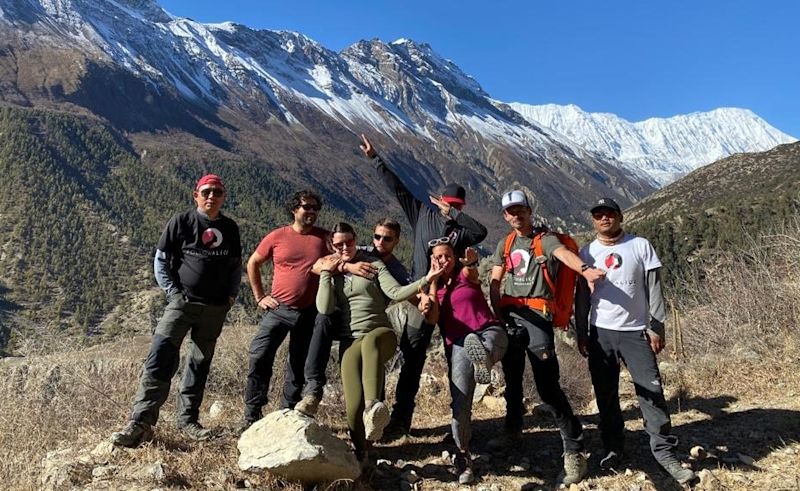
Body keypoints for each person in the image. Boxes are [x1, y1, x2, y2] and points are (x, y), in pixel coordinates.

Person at [359, 133, 488, 438]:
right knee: (412, 355)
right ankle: (402, 420)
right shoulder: (421, 214)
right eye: (447, 203)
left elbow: (480, 231)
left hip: (453, 298)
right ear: (438, 200)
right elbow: (397, 188)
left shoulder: (461, 229)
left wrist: (453, 213)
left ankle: (460, 425)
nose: (448, 209)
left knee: (457, 355)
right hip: (421, 296)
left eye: (455, 206)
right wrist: (374, 158)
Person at [111, 174, 241, 447]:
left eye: (217, 192)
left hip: (214, 309)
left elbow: (234, 266)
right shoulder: (181, 222)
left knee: (198, 363)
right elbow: (161, 261)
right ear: (196, 195)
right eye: (206, 191)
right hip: (182, 304)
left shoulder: (229, 228)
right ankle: (141, 422)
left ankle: (187, 421)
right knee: (160, 356)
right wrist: (173, 293)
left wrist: (230, 297)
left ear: (223, 197)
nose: (211, 196)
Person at [575, 198, 696, 485]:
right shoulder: (586, 251)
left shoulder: (640, 245)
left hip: (635, 332)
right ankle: (614, 446)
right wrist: (581, 330)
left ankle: (664, 451)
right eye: (599, 215)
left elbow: (654, 289)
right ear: (593, 220)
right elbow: (581, 296)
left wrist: (657, 328)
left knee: (651, 390)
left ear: (620, 217)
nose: (604, 219)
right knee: (605, 393)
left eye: (610, 214)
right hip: (600, 331)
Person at [488, 190, 605, 485]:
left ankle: (574, 448)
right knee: (512, 379)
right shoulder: (507, 242)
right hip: (511, 316)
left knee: (547, 386)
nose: (516, 215)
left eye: (521, 210)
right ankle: (512, 431)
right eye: (511, 211)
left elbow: (563, 255)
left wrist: (586, 270)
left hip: (537, 318)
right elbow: (496, 276)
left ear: (529, 210)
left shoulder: (545, 239)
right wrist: (496, 310)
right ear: (505, 215)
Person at [315, 223, 443, 464]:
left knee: (371, 342)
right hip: (350, 339)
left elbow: (395, 292)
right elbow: (324, 307)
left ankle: (374, 406)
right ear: (333, 245)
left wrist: (427, 279)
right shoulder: (332, 269)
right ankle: (362, 454)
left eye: (349, 242)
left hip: (380, 333)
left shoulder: (374, 264)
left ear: (356, 240)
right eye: (339, 244)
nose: (345, 247)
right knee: (352, 407)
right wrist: (327, 273)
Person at [296, 218, 412, 416]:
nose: (380, 243)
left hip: (369, 323)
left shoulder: (393, 267)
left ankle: (376, 418)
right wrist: (347, 267)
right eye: (377, 237)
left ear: (396, 241)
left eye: (387, 239)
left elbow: (401, 290)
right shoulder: (358, 251)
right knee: (322, 321)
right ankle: (312, 391)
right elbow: (315, 267)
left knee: (372, 358)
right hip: (341, 317)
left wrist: (428, 288)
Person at [239, 190, 329, 430]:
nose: (310, 211)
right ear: (294, 209)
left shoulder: (324, 239)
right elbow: (253, 263)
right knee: (259, 356)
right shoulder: (278, 236)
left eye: (314, 208)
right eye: (305, 207)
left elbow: (343, 255)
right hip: (278, 308)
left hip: (309, 312)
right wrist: (260, 297)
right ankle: (252, 414)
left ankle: (287, 414)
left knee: (298, 365)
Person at [423, 239, 508, 484]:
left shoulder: (464, 274)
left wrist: (470, 261)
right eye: (438, 256)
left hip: (488, 330)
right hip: (459, 343)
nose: (443, 260)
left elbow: (472, 271)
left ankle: (483, 361)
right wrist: (432, 282)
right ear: (432, 260)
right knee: (460, 400)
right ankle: (463, 454)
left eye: (447, 255)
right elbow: (432, 319)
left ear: (454, 256)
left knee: (489, 344)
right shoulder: (432, 288)